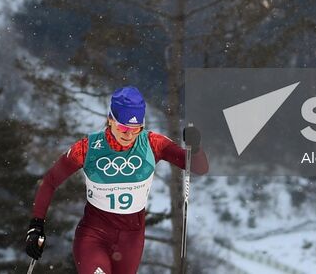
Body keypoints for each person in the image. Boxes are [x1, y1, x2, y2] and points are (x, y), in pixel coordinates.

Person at [24, 86, 208, 274]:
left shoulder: (153, 144)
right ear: (110, 120)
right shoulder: (88, 148)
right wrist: (36, 226)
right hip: (94, 236)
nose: (129, 135)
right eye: (123, 127)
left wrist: (197, 147)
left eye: (136, 129)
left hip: (131, 241)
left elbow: (199, 168)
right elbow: (50, 181)